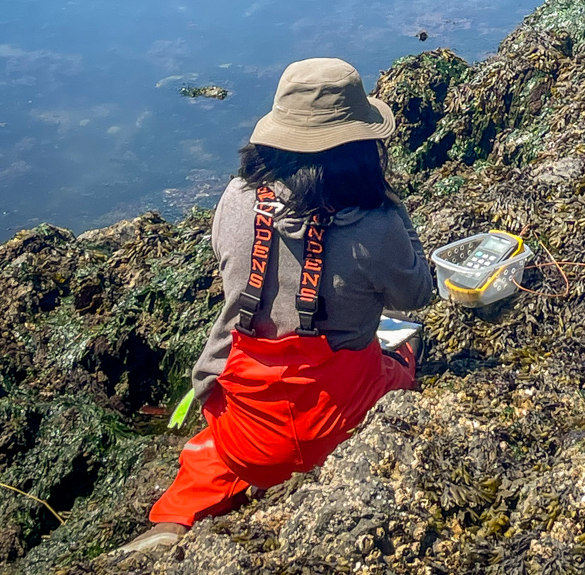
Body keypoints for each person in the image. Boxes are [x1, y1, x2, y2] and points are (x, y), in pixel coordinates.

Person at [120, 58, 433, 555]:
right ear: (361, 147)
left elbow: (229, 271)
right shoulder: (375, 223)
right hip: (339, 422)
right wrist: (394, 209)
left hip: (247, 430)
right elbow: (417, 295)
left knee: (217, 449)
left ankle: (172, 524)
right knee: (404, 358)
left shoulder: (235, 198)